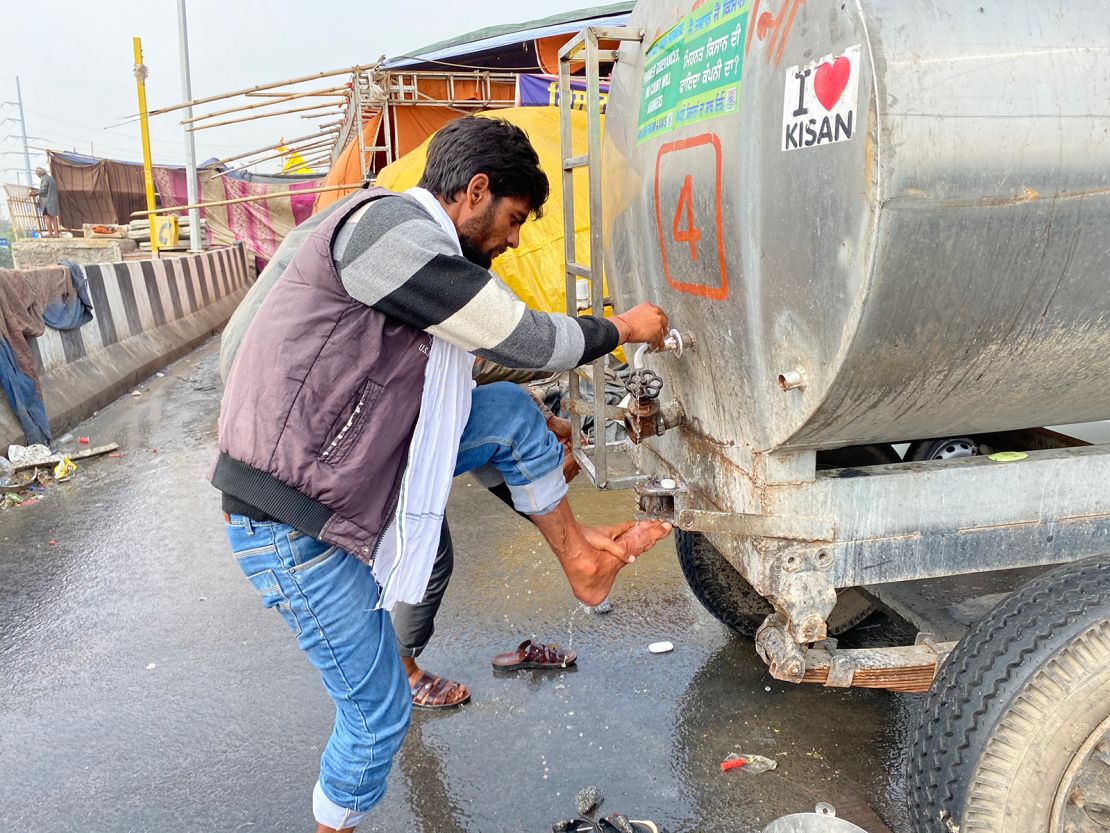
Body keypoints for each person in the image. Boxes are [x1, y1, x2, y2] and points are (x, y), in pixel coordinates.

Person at [212, 116, 672, 833]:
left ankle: (583, 561)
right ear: (475, 191)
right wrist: (621, 328)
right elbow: (513, 331)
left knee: (513, 421)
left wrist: (531, 460)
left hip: (348, 466)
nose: (515, 239)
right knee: (376, 720)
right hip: (292, 520)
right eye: (513, 219)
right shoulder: (386, 231)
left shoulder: (418, 258)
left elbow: (474, 370)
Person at [29, 166, 60, 238]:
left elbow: (43, 190)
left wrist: (34, 193)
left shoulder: (45, 179)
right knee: (53, 218)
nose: (37, 175)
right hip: (53, 201)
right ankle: (56, 233)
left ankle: (50, 233)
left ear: (39, 173)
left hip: (47, 202)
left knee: (46, 217)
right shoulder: (51, 178)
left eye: (37, 174)